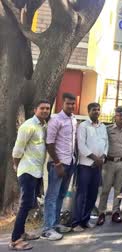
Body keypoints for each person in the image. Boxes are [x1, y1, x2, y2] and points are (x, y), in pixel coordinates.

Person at [9, 100, 51, 250]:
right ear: (35, 110)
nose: (45, 111)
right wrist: (17, 166)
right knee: (25, 204)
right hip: (27, 171)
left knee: (29, 205)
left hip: (36, 172)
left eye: (47, 108)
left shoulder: (43, 125)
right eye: (42, 108)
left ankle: (22, 233)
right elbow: (17, 151)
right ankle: (15, 240)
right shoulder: (28, 126)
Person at [42, 93, 78, 240]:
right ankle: (47, 229)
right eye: (68, 103)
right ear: (63, 103)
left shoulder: (74, 120)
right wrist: (57, 163)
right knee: (51, 196)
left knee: (61, 195)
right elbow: (49, 143)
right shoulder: (56, 119)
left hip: (70, 163)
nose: (70, 106)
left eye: (72, 104)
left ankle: (55, 224)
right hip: (58, 164)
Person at [72, 103, 108, 232]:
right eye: (94, 110)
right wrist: (95, 158)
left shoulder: (103, 127)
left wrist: (103, 157)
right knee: (82, 194)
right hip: (85, 165)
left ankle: (86, 220)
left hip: (97, 166)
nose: (96, 112)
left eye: (98, 110)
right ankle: (77, 222)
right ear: (88, 111)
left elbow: (106, 143)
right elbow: (81, 145)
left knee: (93, 194)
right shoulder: (83, 126)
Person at [97, 106, 122, 225]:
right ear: (115, 116)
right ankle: (101, 213)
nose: (121, 118)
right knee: (105, 189)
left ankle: (115, 212)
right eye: (119, 115)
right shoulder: (108, 129)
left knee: (119, 190)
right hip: (109, 163)